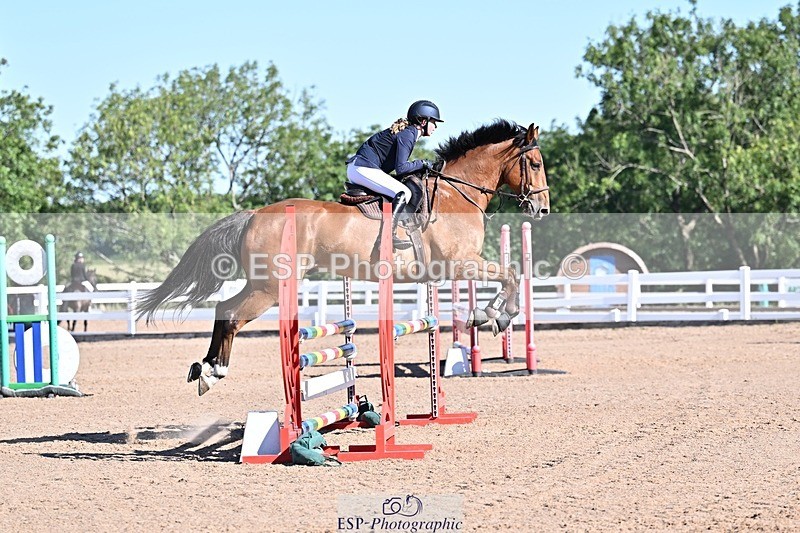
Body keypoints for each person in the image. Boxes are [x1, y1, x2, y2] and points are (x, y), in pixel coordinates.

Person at [346, 100, 443, 249]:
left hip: (360, 167)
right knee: (404, 192)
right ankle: (388, 235)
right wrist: (423, 163)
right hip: (363, 168)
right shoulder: (408, 134)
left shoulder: (409, 133)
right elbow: (402, 168)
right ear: (424, 121)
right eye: (434, 122)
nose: (435, 127)